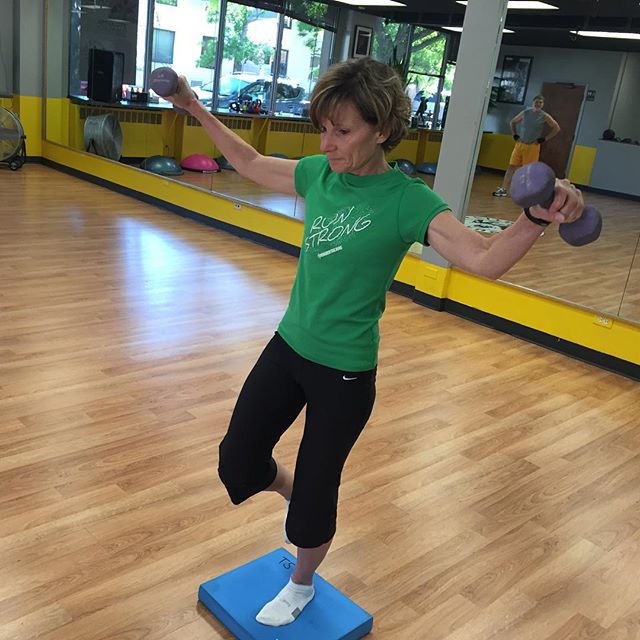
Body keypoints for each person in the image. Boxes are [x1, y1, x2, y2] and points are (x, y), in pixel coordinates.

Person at [165, 58, 583, 628]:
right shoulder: (320, 174)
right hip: (288, 347)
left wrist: (535, 219)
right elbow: (251, 161)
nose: (328, 143)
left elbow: (482, 261)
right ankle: (300, 493)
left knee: (316, 499)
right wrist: (192, 105)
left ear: (381, 130)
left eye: (343, 131)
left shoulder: (408, 201)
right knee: (237, 461)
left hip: (344, 373)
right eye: (324, 129)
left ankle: (301, 583)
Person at [493, 94, 560, 197]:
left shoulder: (544, 116)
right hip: (520, 144)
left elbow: (556, 128)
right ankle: (503, 189)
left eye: (540, 102)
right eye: (536, 102)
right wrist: (514, 134)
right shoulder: (526, 112)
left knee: (528, 171)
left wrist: (544, 139)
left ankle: (526, 193)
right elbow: (513, 122)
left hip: (532, 146)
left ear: (543, 104)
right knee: (511, 166)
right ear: (533, 102)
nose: (538, 104)